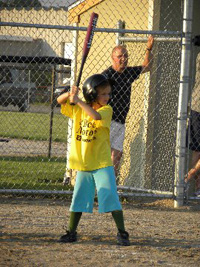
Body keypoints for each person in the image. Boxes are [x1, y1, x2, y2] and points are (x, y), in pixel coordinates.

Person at [57, 74, 130, 246]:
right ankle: (71, 232)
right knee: (79, 199)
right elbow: (59, 101)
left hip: (102, 164)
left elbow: (95, 117)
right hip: (84, 164)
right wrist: (69, 95)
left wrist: (79, 101)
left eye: (108, 93)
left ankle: (122, 232)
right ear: (91, 94)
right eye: (103, 94)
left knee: (110, 196)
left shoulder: (106, 110)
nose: (107, 97)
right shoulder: (77, 108)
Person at [102, 35, 154, 175]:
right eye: (119, 56)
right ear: (113, 58)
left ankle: (111, 186)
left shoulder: (128, 73)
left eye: (125, 56)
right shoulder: (106, 76)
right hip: (107, 121)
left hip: (120, 121)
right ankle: (99, 186)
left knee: (117, 156)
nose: (123, 59)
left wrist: (149, 48)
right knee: (104, 156)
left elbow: (147, 66)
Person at [185, 53, 200, 197]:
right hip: (198, 106)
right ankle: (196, 187)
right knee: (197, 149)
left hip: (196, 105)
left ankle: (190, 175)